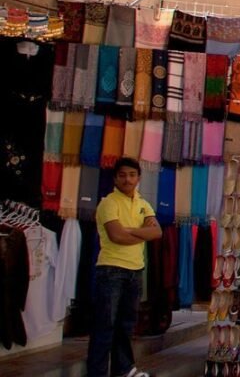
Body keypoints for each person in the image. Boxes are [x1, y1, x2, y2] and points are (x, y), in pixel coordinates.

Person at [89, 158, 162, 377]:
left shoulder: (143, 203)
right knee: (105, 325)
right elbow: (116, 235)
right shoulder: (108, 203)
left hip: (135, 270)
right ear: (115, 178)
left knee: (126, 325)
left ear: (138, 178)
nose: (127, 179)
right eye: (122, 175)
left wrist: (128, 231)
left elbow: (157, 233)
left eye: (132, 174)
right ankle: (97, 372)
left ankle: (124, 369)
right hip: (111, 269)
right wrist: (139, 232)